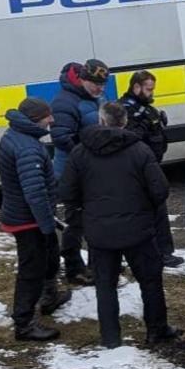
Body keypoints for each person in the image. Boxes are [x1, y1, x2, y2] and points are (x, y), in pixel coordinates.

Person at [57, 101, 175, 349]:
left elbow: (67, 191)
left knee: (105, 286)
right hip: (139, 231)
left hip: (100, 233)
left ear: (100, 121)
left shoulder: (80, 152)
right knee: (151, 282)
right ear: (124, 122)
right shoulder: (139, 150)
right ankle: (157, 331)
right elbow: (160, 190)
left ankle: (110, 338)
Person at [0, 97, 70, 341]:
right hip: (29, 221)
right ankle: (24, 324)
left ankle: (50, 296)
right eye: (47, 117)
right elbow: (35, 193)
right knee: (31, 270)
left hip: (28, 216)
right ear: (34, 120)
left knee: (49, 256)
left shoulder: (17, 136)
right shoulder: (27, 148)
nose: (52, 120)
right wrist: (47, 225)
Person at [51, 58, 109, 285]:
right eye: (96, 84)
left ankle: (98, 264)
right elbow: (61, 137)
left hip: (92, 169)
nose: (101, 89)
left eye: (103, 84)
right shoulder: (65, 101)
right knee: (76, 222)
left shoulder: (94, 98)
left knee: (96, 217)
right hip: (72, 172)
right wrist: (90, 154)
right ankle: (74, 268)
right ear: (83, 79)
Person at [121, 70, 182, 267]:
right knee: (152, 212)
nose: (151, 93)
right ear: (136, 87)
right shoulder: (126, 110)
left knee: (158, 211)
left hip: (153, 166)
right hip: (140, 171)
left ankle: (163, 252)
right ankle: (159, 253)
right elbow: (130, 139)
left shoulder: (145, 107)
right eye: (148, 89)